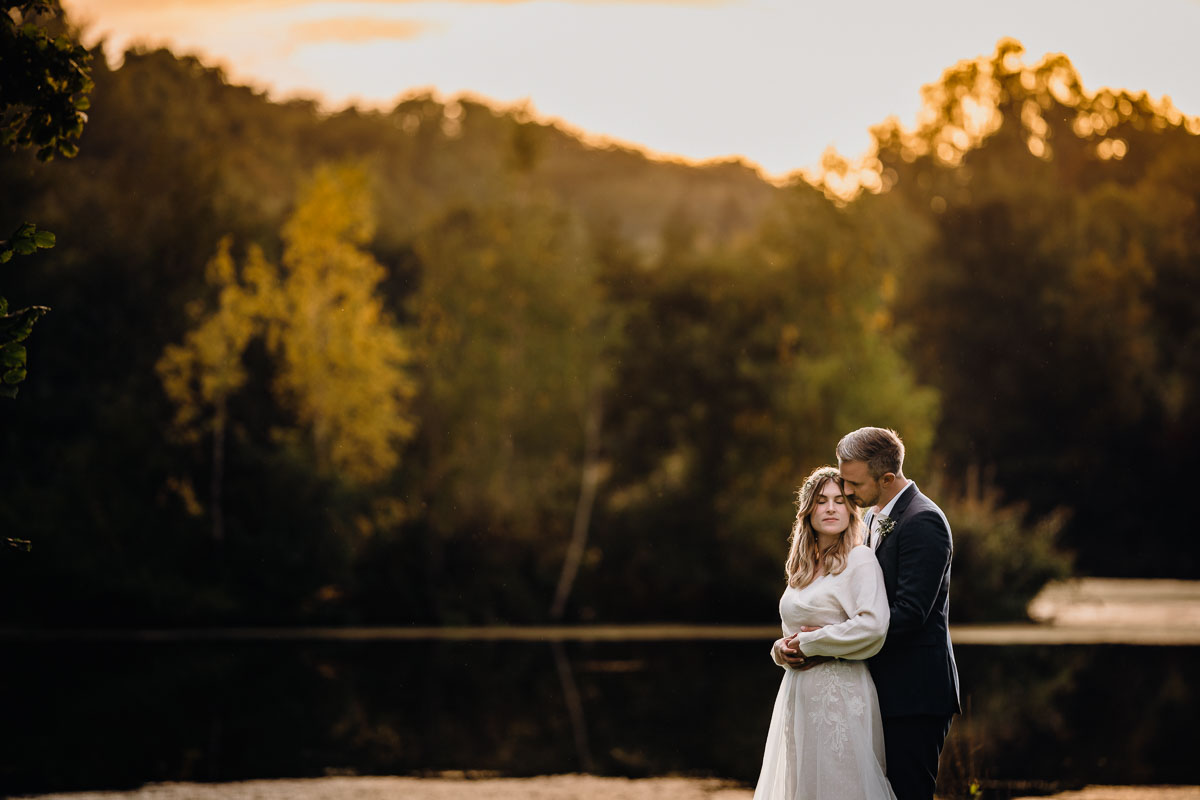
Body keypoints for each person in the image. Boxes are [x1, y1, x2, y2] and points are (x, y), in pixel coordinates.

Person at [754, 466, 896, 800]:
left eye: (839, 500)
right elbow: (792, 630)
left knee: (841, 787)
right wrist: (779, 649)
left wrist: (811, 642)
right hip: (797, 696)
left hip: (841, 698)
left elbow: (873, 627)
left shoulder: (859, 559)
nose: (831, 508)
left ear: (851, 509)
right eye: (821, 501)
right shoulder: (803, 568)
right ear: (808, 510)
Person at [836, 427, 960, 800]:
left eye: (853, 483)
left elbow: (909, 613)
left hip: (914, 695)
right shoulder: (874, 516)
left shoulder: (924, 521)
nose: (845, 491)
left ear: (887, 478)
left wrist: (835, 643)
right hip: (881, 689)